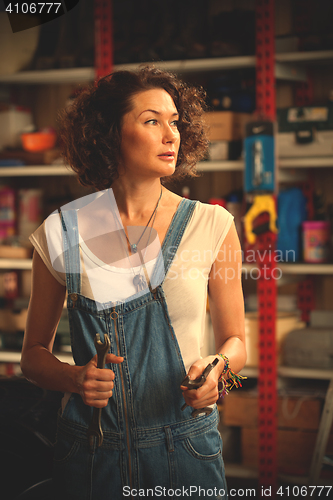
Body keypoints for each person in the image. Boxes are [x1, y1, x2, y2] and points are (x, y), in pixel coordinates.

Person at [21, 66, 246, 499]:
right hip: (90, 454)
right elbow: (32, 358)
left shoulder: (211, 225)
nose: (171, 135)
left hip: (186, 452)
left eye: (176, 122)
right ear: (109, 133)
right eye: (151, 121)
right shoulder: (61, 231)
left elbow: (238, 344)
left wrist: (221, 374)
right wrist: (74, 379)